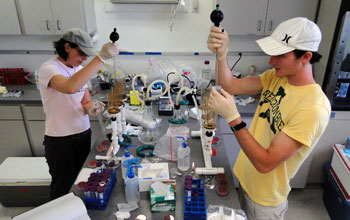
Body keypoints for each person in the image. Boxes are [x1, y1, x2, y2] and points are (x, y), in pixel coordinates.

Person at [207, 17, 331, 220]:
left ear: (306, 56)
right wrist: (221, 55)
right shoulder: (277, 77)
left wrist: (234, 118)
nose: (271, 61)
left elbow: (265, 163)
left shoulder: (313, 108)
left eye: (280, 55)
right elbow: (231, 86)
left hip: (264, 202)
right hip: (245, 180)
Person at [38, 28, 118, 200]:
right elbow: (69, 87)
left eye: (86, 55)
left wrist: (91, 108)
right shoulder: (49, 69)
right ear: (67, 47)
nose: (84, 58)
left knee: (81, 182)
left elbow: (84, 100)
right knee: (62, 186)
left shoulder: (79, 69)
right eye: (81, 53)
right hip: (60, 140)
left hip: (82, 134)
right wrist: (100, 58)